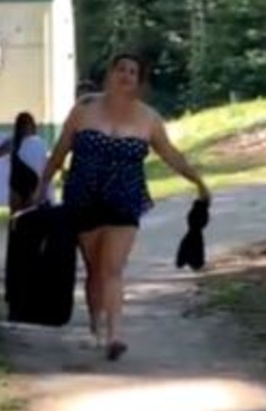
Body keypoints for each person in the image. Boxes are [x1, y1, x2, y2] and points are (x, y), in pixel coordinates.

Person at [36, 53, 210, 359]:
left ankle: (115, 335)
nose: (126, 75)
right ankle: (95, 326)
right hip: (83, 198)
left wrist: (198, 181)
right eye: (121, 69)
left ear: (139, 81)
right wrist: (41, 187)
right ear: (110, 74)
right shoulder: (84, 109)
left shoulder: (149, 118)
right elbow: (60, 151)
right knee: (94, 269)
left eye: (133, 71)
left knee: (113, 268)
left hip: (124, 199)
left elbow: (171, 154)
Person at [0, 112, 47, 213]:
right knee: (15, 216)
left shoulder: (37, 143)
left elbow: (44, 164)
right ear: (20, 127)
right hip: (16, 182)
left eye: (29, 125)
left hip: (32, 183)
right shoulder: (13, 142)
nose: (27, 128)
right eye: (25, 125)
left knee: (30, 216)